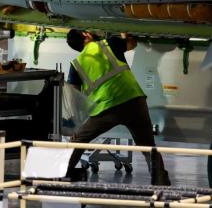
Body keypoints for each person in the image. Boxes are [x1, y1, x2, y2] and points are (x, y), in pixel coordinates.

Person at [64, 30, 170, 186]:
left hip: (107, 108)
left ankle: (61, 175)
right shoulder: (109, 43)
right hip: (134, 101)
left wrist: (79, 120)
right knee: (148, 146)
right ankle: (161, 183)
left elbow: (74, 97)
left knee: (79, 140)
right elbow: (132, 44)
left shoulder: (76, 64)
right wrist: (125, 37)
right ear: (86, 35)